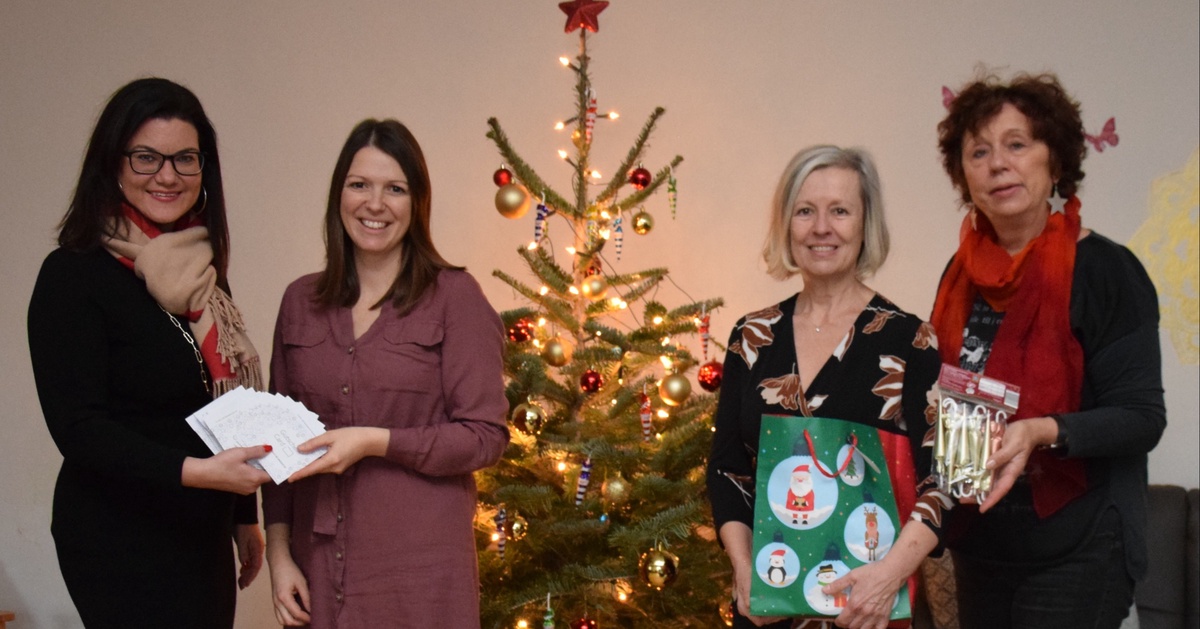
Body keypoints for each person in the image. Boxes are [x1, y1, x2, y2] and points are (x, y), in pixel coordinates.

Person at [27, 77, 272, 629]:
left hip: (198, 531)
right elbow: (79, 428)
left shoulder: (204, 280)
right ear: (112, 164)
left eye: (185, 159)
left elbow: (222, 409)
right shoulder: (73, 275)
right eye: (147, 157)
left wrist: (242, 516)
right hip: (118, 535)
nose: (167, 176)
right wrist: (197, 474)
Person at [928, 72, 1165, 629]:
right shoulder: (957, 275)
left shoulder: (1107, 270)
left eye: (1017, 144)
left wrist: (1040, 430)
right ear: (964, 176)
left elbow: (1141, 417)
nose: (997, 164)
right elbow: (949, 390)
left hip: (1080, 546)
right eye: (978, 152)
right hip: (980, 539)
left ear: (1054, 161)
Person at [263, 118, 509, 628]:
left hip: (421, 574)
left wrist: (376, 441)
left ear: (417, 203)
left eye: (394, 189)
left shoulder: (455, 298)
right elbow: (277, 446)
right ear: (339, 196)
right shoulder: (299, 302)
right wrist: (279, 555)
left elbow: (485, 437)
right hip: (318, 571)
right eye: (360, 185)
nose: (374, 204)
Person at [706, 145, 950, 629]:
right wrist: (744, 571)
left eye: (839, 211)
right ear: (786, 224)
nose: (822, 228)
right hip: (767, 610)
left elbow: (941, 485)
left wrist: (887, 579)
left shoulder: (909, 339)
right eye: (805, 211)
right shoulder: (752, 337)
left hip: (869, 610)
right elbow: (728, 469)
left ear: (864, 225)